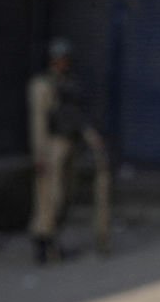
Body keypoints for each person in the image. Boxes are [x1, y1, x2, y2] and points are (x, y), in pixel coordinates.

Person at [27, 37, 111, 264]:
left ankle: (53, 244)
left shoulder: (70, 84)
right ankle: (42, 243)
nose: (63, 63)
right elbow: (39, 123)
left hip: (69, 144)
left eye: (65, 59)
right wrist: (39, 155)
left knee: (65, 196)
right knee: (49, 197)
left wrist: (92, 139)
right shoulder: (42, 85)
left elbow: (77, 117)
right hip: (51, 148)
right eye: (59, 59)